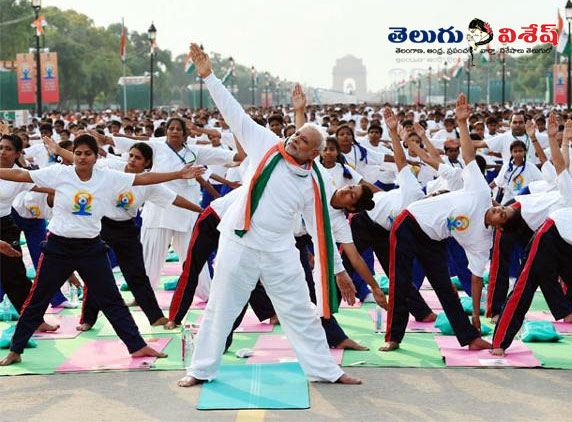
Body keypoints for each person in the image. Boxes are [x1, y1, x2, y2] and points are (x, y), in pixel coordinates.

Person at [178, 43, 360, 387]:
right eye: (295, 134)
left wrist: (338, 271)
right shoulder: (265, 144)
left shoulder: (316, 181)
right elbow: (234, 113)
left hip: (279, 251)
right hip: (239, 242)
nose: (294, 140)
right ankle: (200, 370)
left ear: (314, 154)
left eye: (302, 141)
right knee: (220, 309)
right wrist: (209, 76)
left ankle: (326, 371)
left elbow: (321, 231)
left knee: (301, 312)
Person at [0, 134, 204, 366]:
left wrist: (178, 174)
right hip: (58, 247)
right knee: (38, 298)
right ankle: (16, 349)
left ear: (96, 157)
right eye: (78, 153)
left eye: (87, 153)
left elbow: (143, 179)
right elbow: (21, 175)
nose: (82, 157)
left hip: (90, 248)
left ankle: (137, 346)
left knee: (112, 300)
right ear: (73, 155)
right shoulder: (60, 173)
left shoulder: (107, 177)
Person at [383, 93, 517, 352]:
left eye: (501, 215)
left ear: (499, 228)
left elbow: (476, 278)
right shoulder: (481, 192)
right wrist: (462, 123)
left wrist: (477, 314)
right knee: (400, 282)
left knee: (446, 288)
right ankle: (393, 337)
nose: (498, 209)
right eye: (502, 208)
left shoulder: (482, 241)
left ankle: (470, 338)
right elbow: (468, 156)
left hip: (434, 240)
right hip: (410, 223)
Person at [94, 118, 244, 288]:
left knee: (194, 260)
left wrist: (237, 132)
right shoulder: (157, 147)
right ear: (166, 131)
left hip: (185, 214)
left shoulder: (195, 152)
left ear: (185, 133)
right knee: (148, 260)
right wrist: (106, 139)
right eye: (171, 128)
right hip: (158, 213)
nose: (174, 131)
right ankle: (145, 294)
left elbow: (237, 156)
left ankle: (207, 293)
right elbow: (133, 143)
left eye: (178, 129)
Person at [343, 107, 436, 322]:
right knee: (344, 264)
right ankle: (326, 312)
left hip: (385, 232)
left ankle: (422, 312)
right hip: (364, 220)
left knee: (397, 271)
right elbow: (400, 160)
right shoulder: (413, 191)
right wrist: (393, 132)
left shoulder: (427, 222)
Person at [492, 120, 572, 355]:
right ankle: (500, 342)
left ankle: (565, 311)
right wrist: (554, 137)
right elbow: (560, 165)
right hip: (550, 236)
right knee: (525, 285)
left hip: (567, 246)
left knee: (550, 279)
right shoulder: (568, 191)